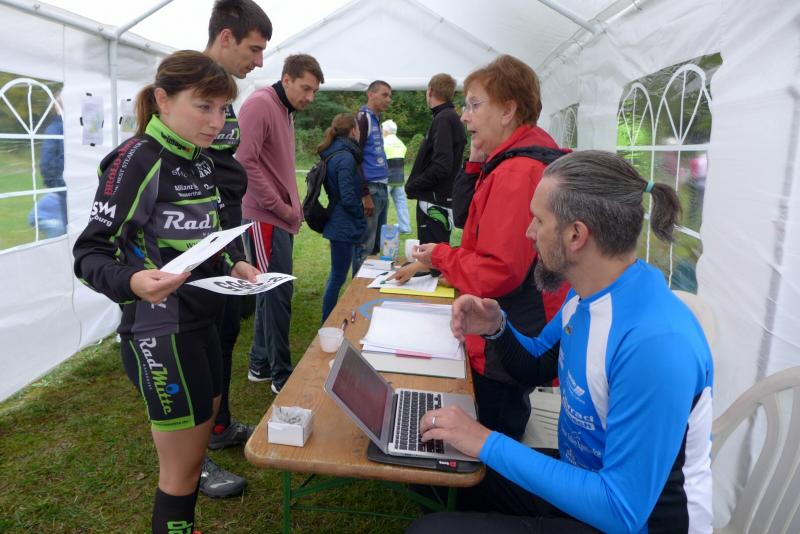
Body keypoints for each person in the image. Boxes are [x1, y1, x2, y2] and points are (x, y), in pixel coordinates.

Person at [408, 150, 713, 534]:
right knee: (431, 463)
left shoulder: (656, 345)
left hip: (629, 521)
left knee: (429, 530)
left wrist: (484, 440)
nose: (528, 232)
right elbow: (536, 365)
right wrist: (496, 326)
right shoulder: (588, 295)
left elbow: (621, 510)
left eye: (538, 220)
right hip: (584, 481)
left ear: (575, 235)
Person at [72, 51, 260, 534]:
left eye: (223, 109)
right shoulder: (136, 159)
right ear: (163, 99)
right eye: (204, 106)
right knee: (179, 472)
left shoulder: (200, 160)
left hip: (203, 322)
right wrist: (132, 282)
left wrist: (233, 262)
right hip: (161, 332)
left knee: (196, 454)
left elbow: (206, 239)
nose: (217, 122)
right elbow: (89, 253)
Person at [392, 55, 569, 440]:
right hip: (513, 328)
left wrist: (439, 256)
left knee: (493, 432)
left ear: (507, 111)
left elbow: (497, 271)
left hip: (509, 335)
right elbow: (468, 219)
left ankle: (490, 478)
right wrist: (474, 165)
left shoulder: (517, 172)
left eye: (474, 105)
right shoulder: (511, 162)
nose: (465, 116)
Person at [200, 0, 272, 498]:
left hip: (227, 237)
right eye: (254, 48)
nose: (259, 61)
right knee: (193, 352)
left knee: (225, 335)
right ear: (225, 37)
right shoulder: (186, 88)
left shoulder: (226, 96)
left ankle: (220, 425)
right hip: (189, 247)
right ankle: (193, 456)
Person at [238, 54, 324, 393]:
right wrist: (281, 208)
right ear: (286, 79)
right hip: (264, 218)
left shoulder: (284, 109)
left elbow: (279, 167)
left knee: (271, 291)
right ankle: (282, 376)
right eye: (305, 88)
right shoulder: (260, 104)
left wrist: (294, 210)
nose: (310, 97)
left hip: (280, 218)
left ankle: (260, 365)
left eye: (314, 91)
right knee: (276, 294)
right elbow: (244, 162)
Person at [405, 73, 466, 244]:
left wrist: (413, 185)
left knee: (431, 254)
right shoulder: (448, 116)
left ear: (430, 91)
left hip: (435, 200)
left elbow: (442, 165)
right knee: (436, 251)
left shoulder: (444, 118)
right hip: (440, 198)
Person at [318, 113, 366, 322]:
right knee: (337, 277)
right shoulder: (345, 157)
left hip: (340, 220)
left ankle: (328, 319)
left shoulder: (336, 152)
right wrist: (359, 214)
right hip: (342, 223)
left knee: (337, 275)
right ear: (353, 130)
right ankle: (327, 321)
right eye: (358, 128)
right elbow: (347, 196)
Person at [354, 80, 392, 271]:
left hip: (382, 187)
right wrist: (365, 194)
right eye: (384, 95)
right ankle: (357, 285)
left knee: (377, 244)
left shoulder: (376, 119)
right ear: (370, 94)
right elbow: (355, 157)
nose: (389, 99)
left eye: (390, 96)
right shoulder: (363, 119)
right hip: (371, 189)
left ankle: (370, 282)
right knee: (365, 245)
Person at [381, 119, 411, 234]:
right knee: (401, 203)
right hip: (399, 178)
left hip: (386, 178)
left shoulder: (384, 142)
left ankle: (380, 227)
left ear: (386, 131)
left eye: (382, 129)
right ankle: (405, 228)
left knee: (382, 204)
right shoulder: (400, 143)